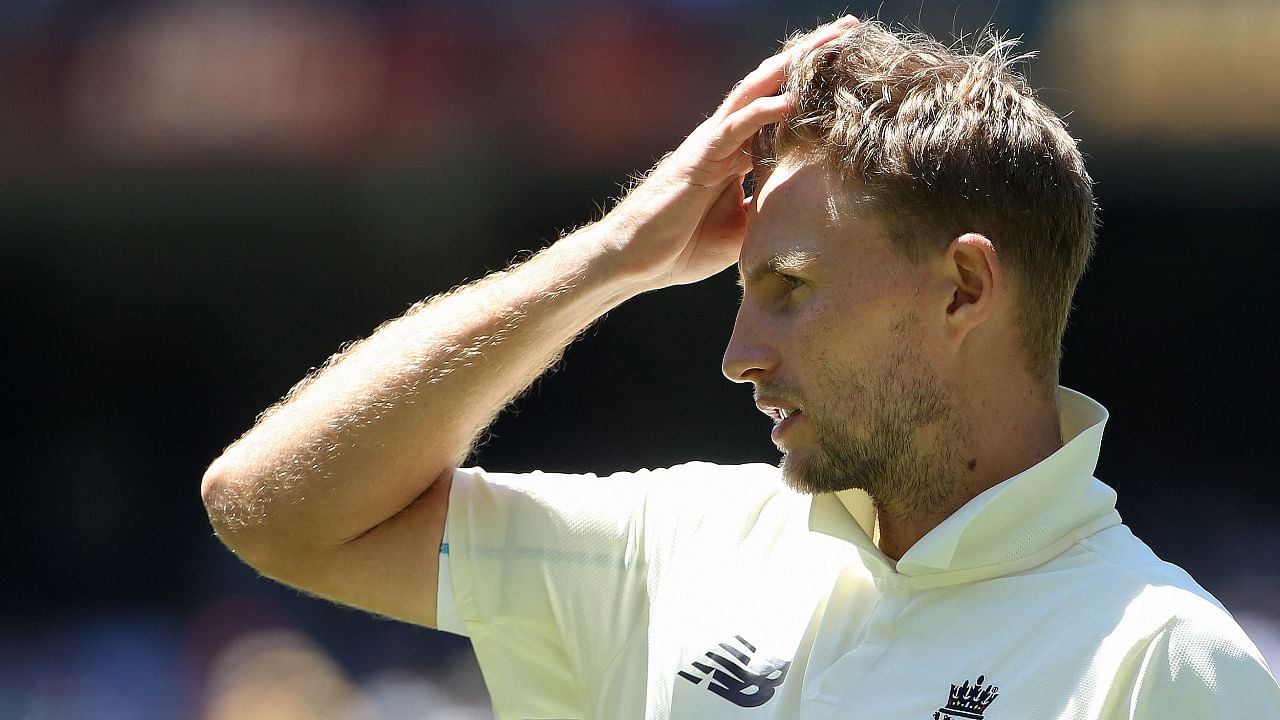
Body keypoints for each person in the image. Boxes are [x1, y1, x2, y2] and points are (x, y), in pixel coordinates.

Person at [201, 16, 1280, 719]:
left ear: (961, 289)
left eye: (791, 291)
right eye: (739, 294)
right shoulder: (672, 545)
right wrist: (608, 257)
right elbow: (270, 508)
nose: (738, 358)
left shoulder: (1161, 660)